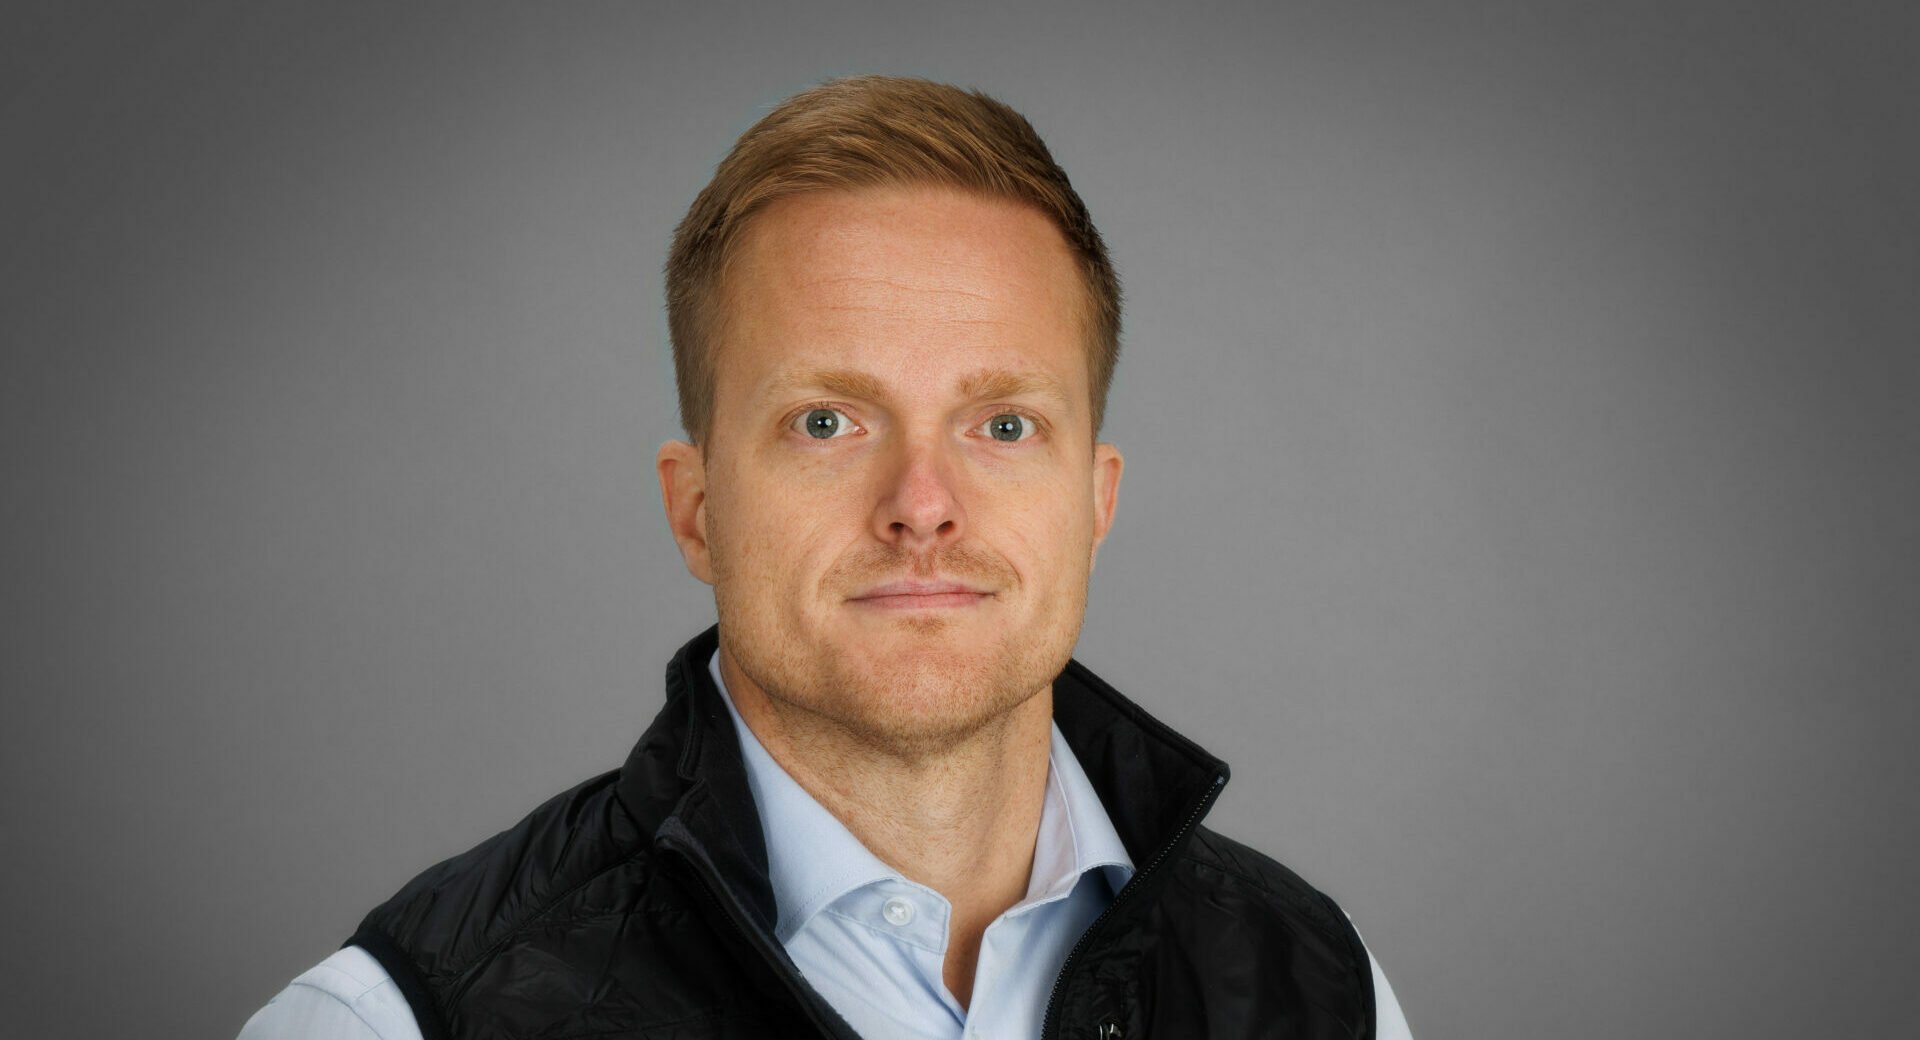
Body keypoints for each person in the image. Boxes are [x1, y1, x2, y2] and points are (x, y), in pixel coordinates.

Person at [238, 75, 1413, 1040]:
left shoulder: (1323, 988)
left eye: (1005, 424)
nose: (922, 506)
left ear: (1094, 503)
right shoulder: (398, 1022)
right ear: (697, 508)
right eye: (826, 421)